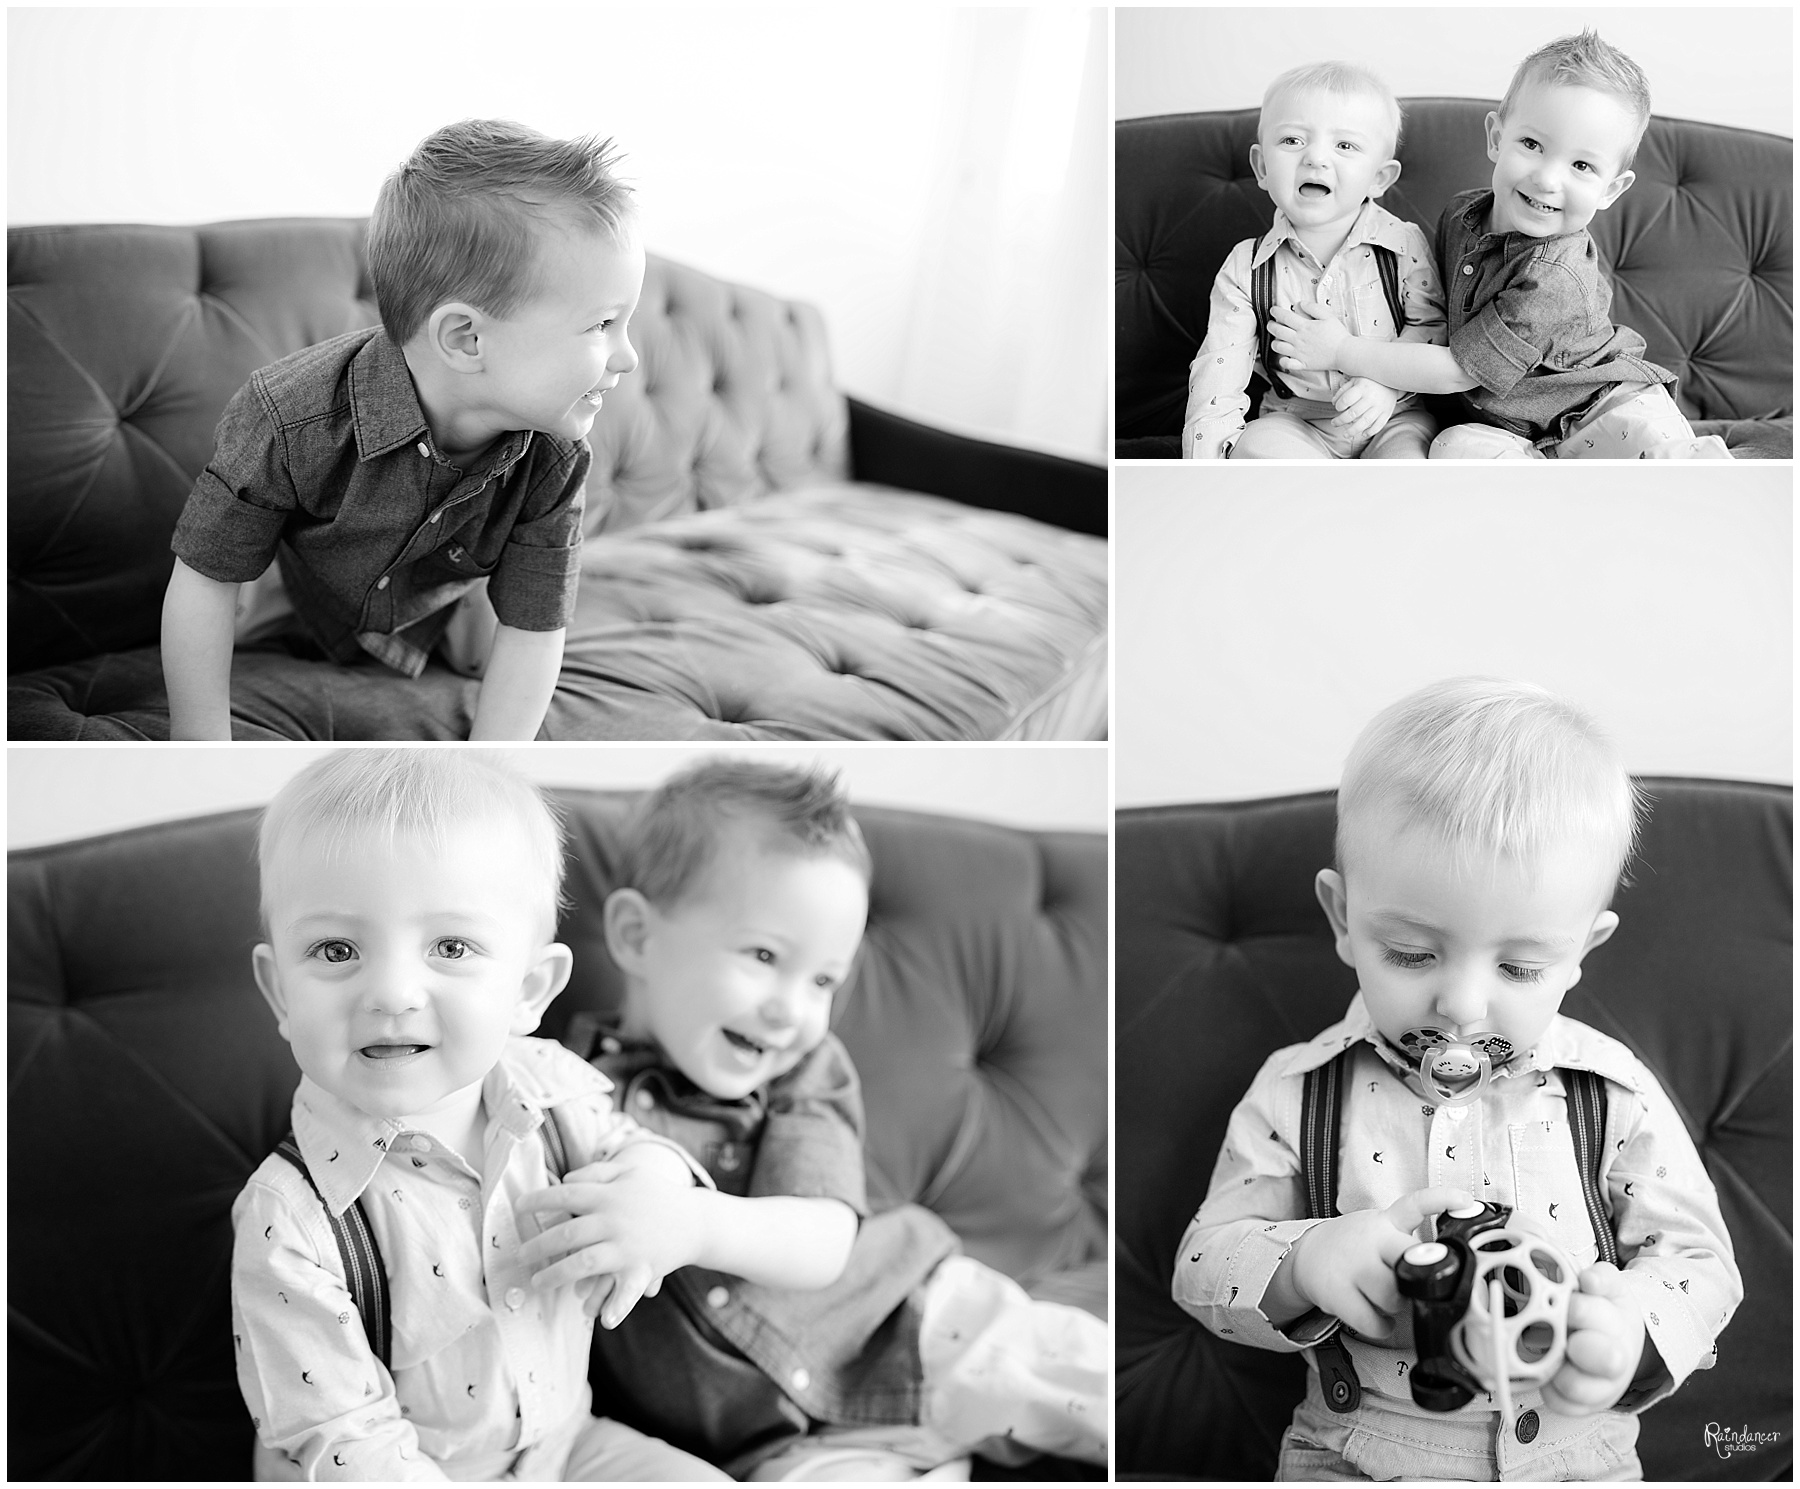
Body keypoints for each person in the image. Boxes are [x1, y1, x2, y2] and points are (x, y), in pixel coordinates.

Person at [1174, 678, 1741, 1480]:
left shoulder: (1612, 1092)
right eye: (1412, 953)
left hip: (1576, 1461)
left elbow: (1702, 1263)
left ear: (1581, 951)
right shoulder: (1298, 1091)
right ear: (1343, 920)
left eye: (1519, 965)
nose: (1463, 1004)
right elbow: (1201, 1264)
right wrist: (1307, 1259)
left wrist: (1629, 1335)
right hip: (1356, 1458)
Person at [516, 758, 1109, 1480]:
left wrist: (690, 1221)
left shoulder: (806, 1070)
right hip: (787, 1443)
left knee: (1101, 1392)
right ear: (638, 935)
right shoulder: (559, 1090)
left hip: (916, 1327)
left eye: (824, 978)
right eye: (764, 955)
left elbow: (823, 1238)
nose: (793, 1009)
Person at [231, 750, 728, 1480]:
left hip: (566, 1446)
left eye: (451, 946)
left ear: (529, 990)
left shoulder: (553, 1097)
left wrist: (652, 1186)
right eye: (337, 949)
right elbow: (346, 1442)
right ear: (281, 994)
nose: (393, 991)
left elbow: (641, 1155)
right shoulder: (292, 1217)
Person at [162, 119, 646, 740]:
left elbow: (535, 629)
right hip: (300, 590)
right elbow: (206, 579)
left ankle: (467, 601)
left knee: (481, 654)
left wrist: (490, 770)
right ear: (466, 338)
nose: (628, 358)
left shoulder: (555, 456)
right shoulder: (288, 417)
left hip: (440, 601)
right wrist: (201, 750)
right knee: (246, 612)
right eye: (602, 324)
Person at [1268, 33, 1733, 459]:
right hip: (1508, 427)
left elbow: (1455, 370)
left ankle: (1705, 479)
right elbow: (1428, 317)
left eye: (1582, 166)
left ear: (1612, 190)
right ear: (1496, 137)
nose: (1548, 179)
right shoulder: (1458, 215)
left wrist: (1343, 351)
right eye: (1531, 144)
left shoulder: (1554, 274)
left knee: (1659, 450)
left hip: (1599, 405)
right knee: (1451, 449)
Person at [1182, 62, 1446, 460]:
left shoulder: (1402, 243)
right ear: (1261, 167)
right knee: (1257, 445)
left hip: (1393, 416)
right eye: (1292, 140)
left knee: (1407, 464)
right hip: (1296, 421)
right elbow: (1217, 380)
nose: (1316, 159)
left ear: (1380, 178)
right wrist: (1205, 466)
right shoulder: (1246, 267)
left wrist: (1387, 385)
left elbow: (1432, 328)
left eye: (1345, 146)